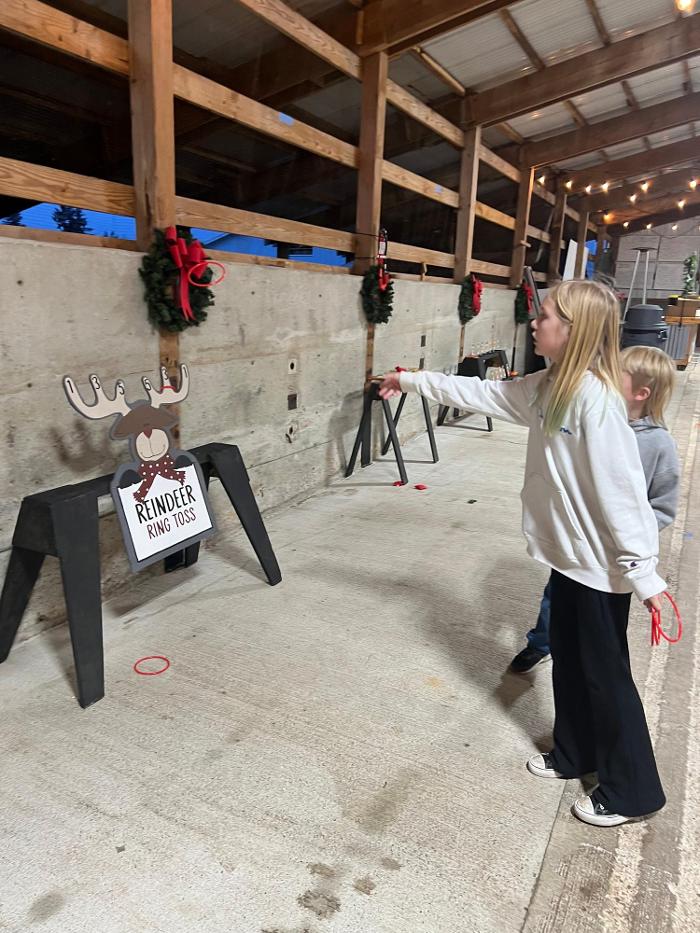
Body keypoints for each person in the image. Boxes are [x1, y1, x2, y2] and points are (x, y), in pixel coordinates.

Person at [379, 280, 667, 828]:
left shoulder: (596, 399)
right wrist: (408, 379)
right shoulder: (550, 385)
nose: (535, 323)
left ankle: (633, 791)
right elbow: (482, 395)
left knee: (606, 677)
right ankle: (574, 753)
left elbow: (623, 492)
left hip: (602, 566)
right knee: (571, 661)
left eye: (546, 316)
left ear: (574, 329)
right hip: (568, 558)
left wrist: (645, 575)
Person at [510, 344, 680, 673]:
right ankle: (541, 643)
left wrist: (631, 540)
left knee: (599, 623)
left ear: (641, 393)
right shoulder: (591, 419)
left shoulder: (658, 444)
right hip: (575, 539)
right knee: (555, 596)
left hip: (616, 555)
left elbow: (662, 506)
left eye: (614, 378)